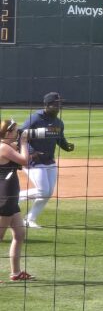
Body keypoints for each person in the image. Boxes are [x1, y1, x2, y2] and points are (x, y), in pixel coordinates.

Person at [21, 92, 75, 229]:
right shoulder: (34, 118)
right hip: (33, 162)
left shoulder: (58, 122)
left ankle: (29, 219)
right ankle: (10, 198)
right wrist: (31, 152)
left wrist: (66, 146)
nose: (59, 106)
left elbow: (59, 138)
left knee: (48, 193)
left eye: (60, 103)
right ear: (47, 105)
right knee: (43, 191)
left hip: (49, 161)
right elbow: (19, 136)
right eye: (56, 104)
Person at [0, 118, 33, 281]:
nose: (17, 133)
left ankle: (15, 273)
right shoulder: (3, 148)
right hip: (4, 198)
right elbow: (25, 161)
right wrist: (25, 142)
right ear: (7, 133)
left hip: (11, 197)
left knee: (19, 234)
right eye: (15, 131)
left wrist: (20, 143)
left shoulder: (8, 147)